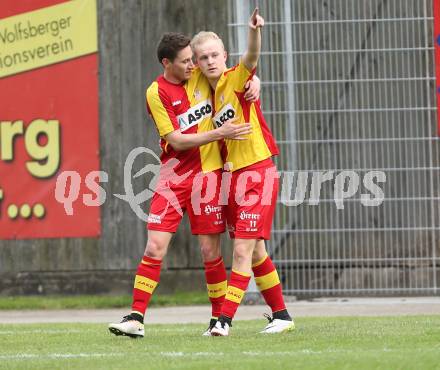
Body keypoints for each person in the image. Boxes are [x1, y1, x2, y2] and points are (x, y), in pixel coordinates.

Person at [108, 32, 259, 338]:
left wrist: (256, 82)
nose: (194, 65)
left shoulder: (202, 75)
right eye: (186, 61)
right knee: (155, 245)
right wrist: (219, 134)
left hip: (209, 174)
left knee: (208, 250)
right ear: (167, 63)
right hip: (173, 175)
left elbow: (239, 74)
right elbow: (175, 140)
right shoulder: (156, 92)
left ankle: (219, 321)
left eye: (194, 58)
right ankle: (136, 317)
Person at [191, 8, 295, 336]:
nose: (210, 61)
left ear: (224, 55)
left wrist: (254, 31)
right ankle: (282, 315)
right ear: (195, 62)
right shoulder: (199, 88)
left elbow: (251, 59)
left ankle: (224, 320)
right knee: (256, 251)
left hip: (257, 172)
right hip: (229, 178)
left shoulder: (234, 78)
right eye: (203, 57)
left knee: (241, 250)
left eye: (215, 55)